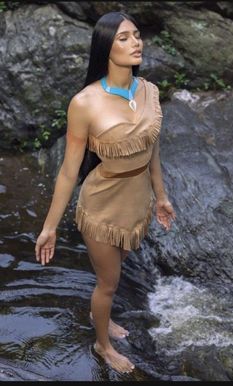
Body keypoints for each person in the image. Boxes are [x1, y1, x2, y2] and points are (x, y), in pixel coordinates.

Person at [35, 11, 176, 374]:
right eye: (124, 38)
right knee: (108, 282)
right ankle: (102, 343)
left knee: (118, 268)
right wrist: (50, 226)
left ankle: (104, 316)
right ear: (105, 47)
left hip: (137, 201)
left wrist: (160, 197)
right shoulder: (85, 102)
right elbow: (69, 170)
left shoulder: (150, 91)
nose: (136, 42)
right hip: (101, 203)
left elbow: (152, 150)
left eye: (136, 35)